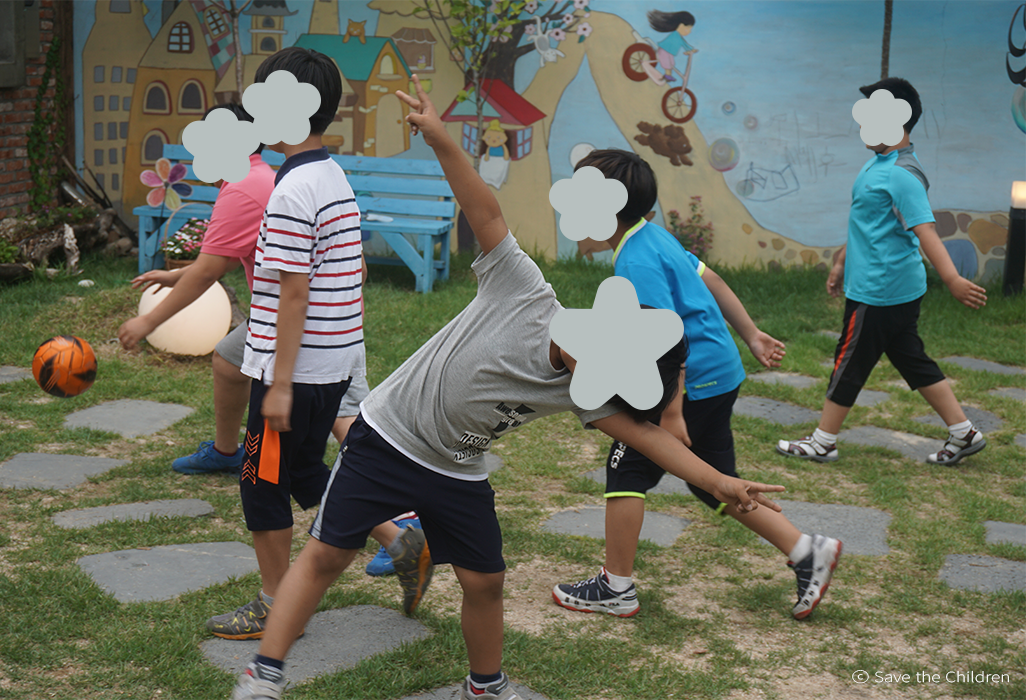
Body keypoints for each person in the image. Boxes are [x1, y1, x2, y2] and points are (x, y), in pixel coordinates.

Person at [229, 73, 786, 700]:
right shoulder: (524, 289)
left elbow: (647, 437)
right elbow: (485, 210)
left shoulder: (583, 390)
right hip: (388, 438)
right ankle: (265, 674)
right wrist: (440, 137)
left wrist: (719, 481)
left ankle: (486, 686)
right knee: (328, 555)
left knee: (486, 581)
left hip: (458, 468)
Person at [551, 149, 842, 621]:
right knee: (713, 481)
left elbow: (667, 337)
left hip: (691, 384)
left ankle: (615, 586)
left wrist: (670, 414)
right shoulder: (654, 237)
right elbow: (714, 280)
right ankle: (806, 549)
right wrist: (750, 334)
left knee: (627, 471)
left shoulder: (635, 263)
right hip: (719, 373)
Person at [207, 47, 433, 643]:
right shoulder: (330, 175)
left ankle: (274, 604)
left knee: (261, 482)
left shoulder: (290, 192)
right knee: (304, 468)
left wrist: (279, 384)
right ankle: (401, 541)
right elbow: (351, 268)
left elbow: (293, 294)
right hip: (331, 365)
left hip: (296, 372)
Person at [117, 103, 374, 475]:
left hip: (309, 320)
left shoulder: (242, 189)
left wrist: (147, 322)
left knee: (342, 412)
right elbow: (224, 257)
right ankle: (226, 452)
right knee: (228, 359)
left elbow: (209, 272)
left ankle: (388, 492)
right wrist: (176, 275)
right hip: (324, 310)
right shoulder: (265, 176)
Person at [776, 77, 988, 466]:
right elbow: (867, 222)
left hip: (880, 290)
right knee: (910, 358)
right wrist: (841, 261)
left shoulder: (900, 174)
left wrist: (953, 279)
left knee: (849, 361)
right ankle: (964, 432)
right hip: (888, 287)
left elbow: (925, 231)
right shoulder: (879, 165)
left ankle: (823, 441)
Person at [647, 10, 698, 84]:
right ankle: (667, 76)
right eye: (688, 28)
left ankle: (668, 75)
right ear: (681, 26)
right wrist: (690, 50)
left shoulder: (678, 37)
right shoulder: (675, 35)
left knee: (671, 63)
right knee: (667, 64)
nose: (689, 31)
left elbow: (684, 44)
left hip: (668, 53)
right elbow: (684, 44)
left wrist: (690, 50)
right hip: (664, 51)